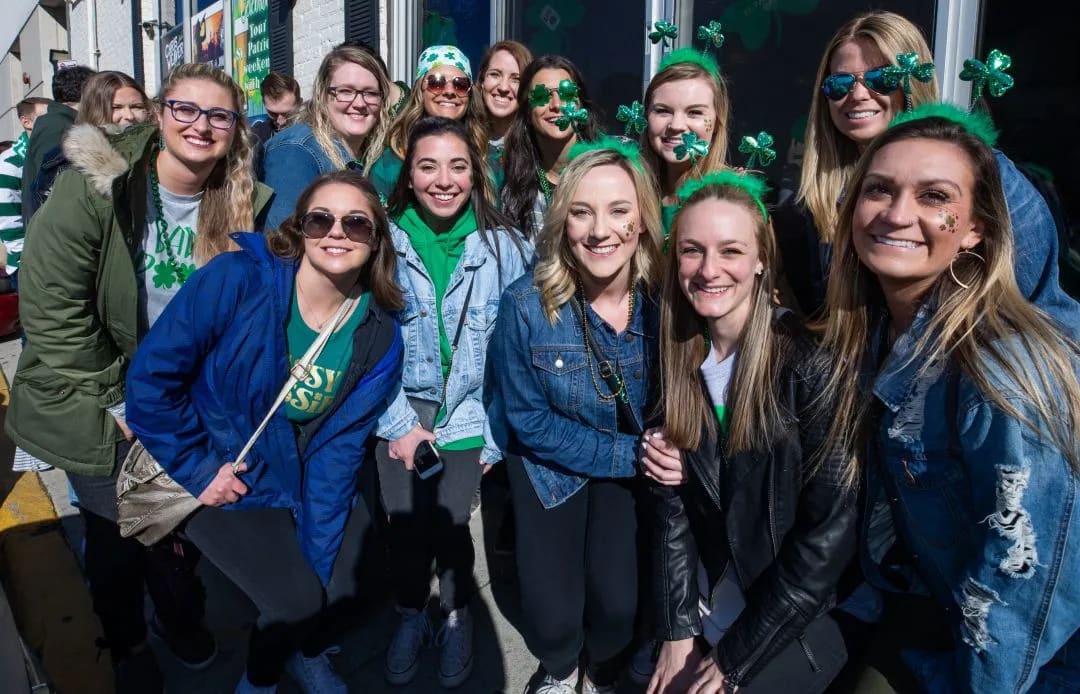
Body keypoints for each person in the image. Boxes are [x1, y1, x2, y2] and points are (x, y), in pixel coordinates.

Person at [4, 62, 271, 692]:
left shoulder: (241, 198)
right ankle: (125, 641)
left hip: (186, 399)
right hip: (96, 395)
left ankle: (178, 617)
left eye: (219, 115)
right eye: (185, 109)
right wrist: (117, 400)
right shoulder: (98, 185)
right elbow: (51, 306)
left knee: (177, 529)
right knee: (118, 535)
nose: (201, 126)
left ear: (236, 127)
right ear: (159, 113)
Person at [820, 105, 1080, 691]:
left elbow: (1020, 578)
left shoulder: (1002, 366)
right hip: (926, 618)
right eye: (878, 189)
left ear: (975, 229)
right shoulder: (876, 336)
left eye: (934, 196)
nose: (896, 214)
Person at [126, 170, 404, 693]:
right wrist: (199, 469)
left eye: (356, 224)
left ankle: (304, 646)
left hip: (289, 471)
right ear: (298, 228)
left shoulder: (378, 335)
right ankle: (259, 680)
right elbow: (150, 381)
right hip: (209, 462)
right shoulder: (237, 279)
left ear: (376, 242)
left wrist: (316, 562)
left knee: (348, 586)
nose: (336, 232)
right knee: (297, 600)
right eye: (320, 219)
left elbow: (337, 450)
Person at [645, 170, 855, 694]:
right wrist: (676, 632)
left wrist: (733, 660)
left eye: (730, 251)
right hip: (709, 600)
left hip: (789, 620)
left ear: (762, 259)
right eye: (691, 251)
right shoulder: (678, 355)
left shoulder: (810, 368)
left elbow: (825, 541)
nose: (708, 269)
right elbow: (671, 508)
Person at [487, 142, 663, 694]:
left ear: (641, 220)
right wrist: (631, 454)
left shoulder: (663, 305)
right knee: (552, 621)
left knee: (617, 611)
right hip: (549, 468)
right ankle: (561, 670)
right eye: (582, 212)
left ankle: (601, 665)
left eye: (618, 211)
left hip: (626, 474)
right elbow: (528, 421)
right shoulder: (525, 305)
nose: (599, 230)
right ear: (562, 221)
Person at [781, 10, 1080, 329]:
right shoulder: (819, 200)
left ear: (912, 81)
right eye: (839, 83)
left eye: (882, 79)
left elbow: (1039, 306)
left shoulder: (985, 171)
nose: (857, 95)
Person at [376, 116, 531, 688]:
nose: (444, 180)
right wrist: (398, 422)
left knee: (451, 521)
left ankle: (457, 611)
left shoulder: (506, 248)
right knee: (404, 525)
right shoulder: (380, 242)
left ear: (476, 174)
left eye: (458, 166)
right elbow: (365, 348)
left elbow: (519, 352)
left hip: (470, 411)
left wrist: (495, 434)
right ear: (408, 175)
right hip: (399, 407)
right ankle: (411, 613)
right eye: (428, 166)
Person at [262, 45, 392, 228]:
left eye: (370, 93)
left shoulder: (375, 153)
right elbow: (282, 240)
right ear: (323, 95)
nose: (360, 103)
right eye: (345, 91)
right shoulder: (296, 151)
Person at [368, 45, 498, 200]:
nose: (449, 91)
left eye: (460, 85)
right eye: (436, 82)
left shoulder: (488, 157)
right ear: (420, 90)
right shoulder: (391, 162)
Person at [26, 71, 154, 218]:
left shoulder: (158, 150)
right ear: (95, 110)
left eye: (136, 106)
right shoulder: (66, 165)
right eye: (116, 107)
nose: (129, 116)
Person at [501, 55, 601, 239]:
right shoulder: (515, 191)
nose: (556, 105)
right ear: (528, 112)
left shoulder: (608, 168)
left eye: (567, 93)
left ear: (580, 103)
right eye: (541, 96)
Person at [640, 48, 730, 234]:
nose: (676, 125)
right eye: (662, 111)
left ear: (717, 122)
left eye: (694, 112)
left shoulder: (734, 198)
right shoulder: (632, 193)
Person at [0, 97, 50, 277]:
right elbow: (9, 222)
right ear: (26, 122)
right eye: (46, 118)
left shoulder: (56, 153)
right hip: (30, 267)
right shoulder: (10, 163)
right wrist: (26, 263)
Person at [475, 40, 532, 156]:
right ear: (482, 81)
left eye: (516, 79)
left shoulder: (537, 146)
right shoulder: (461, 139)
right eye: (495, 74)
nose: (503, 88)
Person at [250, 71, 301, 177]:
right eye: (273, 114)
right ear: (264, 104)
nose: (280, 121)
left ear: (299, 103)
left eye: (287, 114)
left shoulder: (316, 134)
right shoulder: (257, 137)